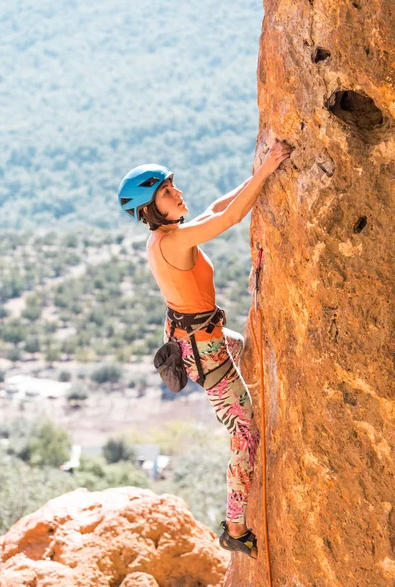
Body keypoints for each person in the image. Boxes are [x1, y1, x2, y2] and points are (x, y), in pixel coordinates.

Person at [118, 141, 292, 557]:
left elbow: (216, 207)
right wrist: (268, 169)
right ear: (150, 211)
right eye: (165, 193)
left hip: (198, 342)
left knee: (241, 344)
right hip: (205, 355)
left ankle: (237, 388)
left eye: (172, 186)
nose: (176, 194)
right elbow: (230, 217)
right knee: (244, 432)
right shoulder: (172, 243)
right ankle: (234, 526)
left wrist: (256, 174)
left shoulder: (170, 235)